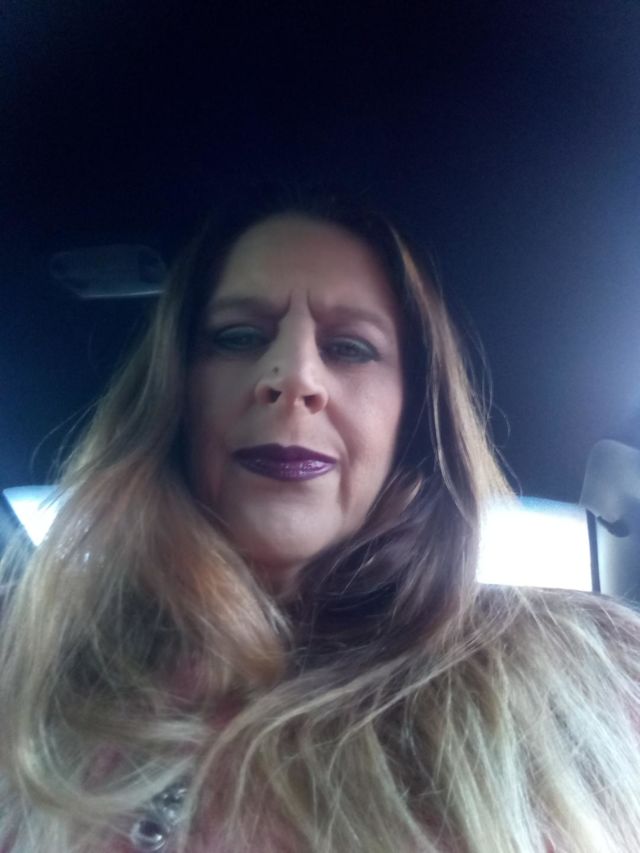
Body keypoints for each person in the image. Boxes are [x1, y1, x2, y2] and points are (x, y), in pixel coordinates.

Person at [1, 185, 640, 853]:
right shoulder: (30, 658)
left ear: (411, 423)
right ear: (177, 396)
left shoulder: (582, 677)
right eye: (238, 336)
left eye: (351, 347)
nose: (293, 376)